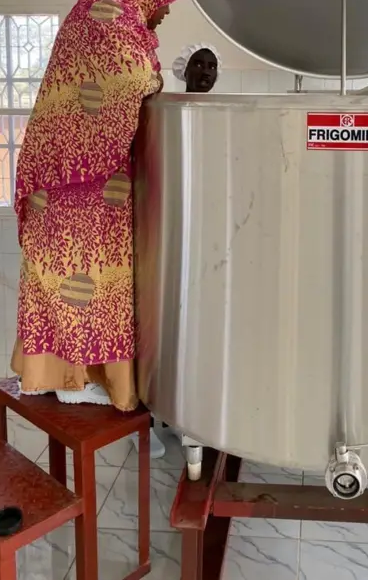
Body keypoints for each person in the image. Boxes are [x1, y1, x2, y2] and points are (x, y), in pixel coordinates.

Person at [12, 0, 183, 459]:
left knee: (95, 288)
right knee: (82, 285)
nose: (166, 11)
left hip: (87, 185)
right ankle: (72, 380)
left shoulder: (108, 15)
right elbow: (132, 81)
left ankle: (87, 381)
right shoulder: (105, 18)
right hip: (73, 188)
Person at [129, 42, 221, 459]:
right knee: (163, 329)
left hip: (209, 239)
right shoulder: (164, 110)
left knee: (202, 334)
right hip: (167, 235)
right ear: (185, 70)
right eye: (199, 64)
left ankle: (195, 418)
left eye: (212, 65)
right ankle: (154, 417)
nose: (205, 70)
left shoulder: (222, 117)